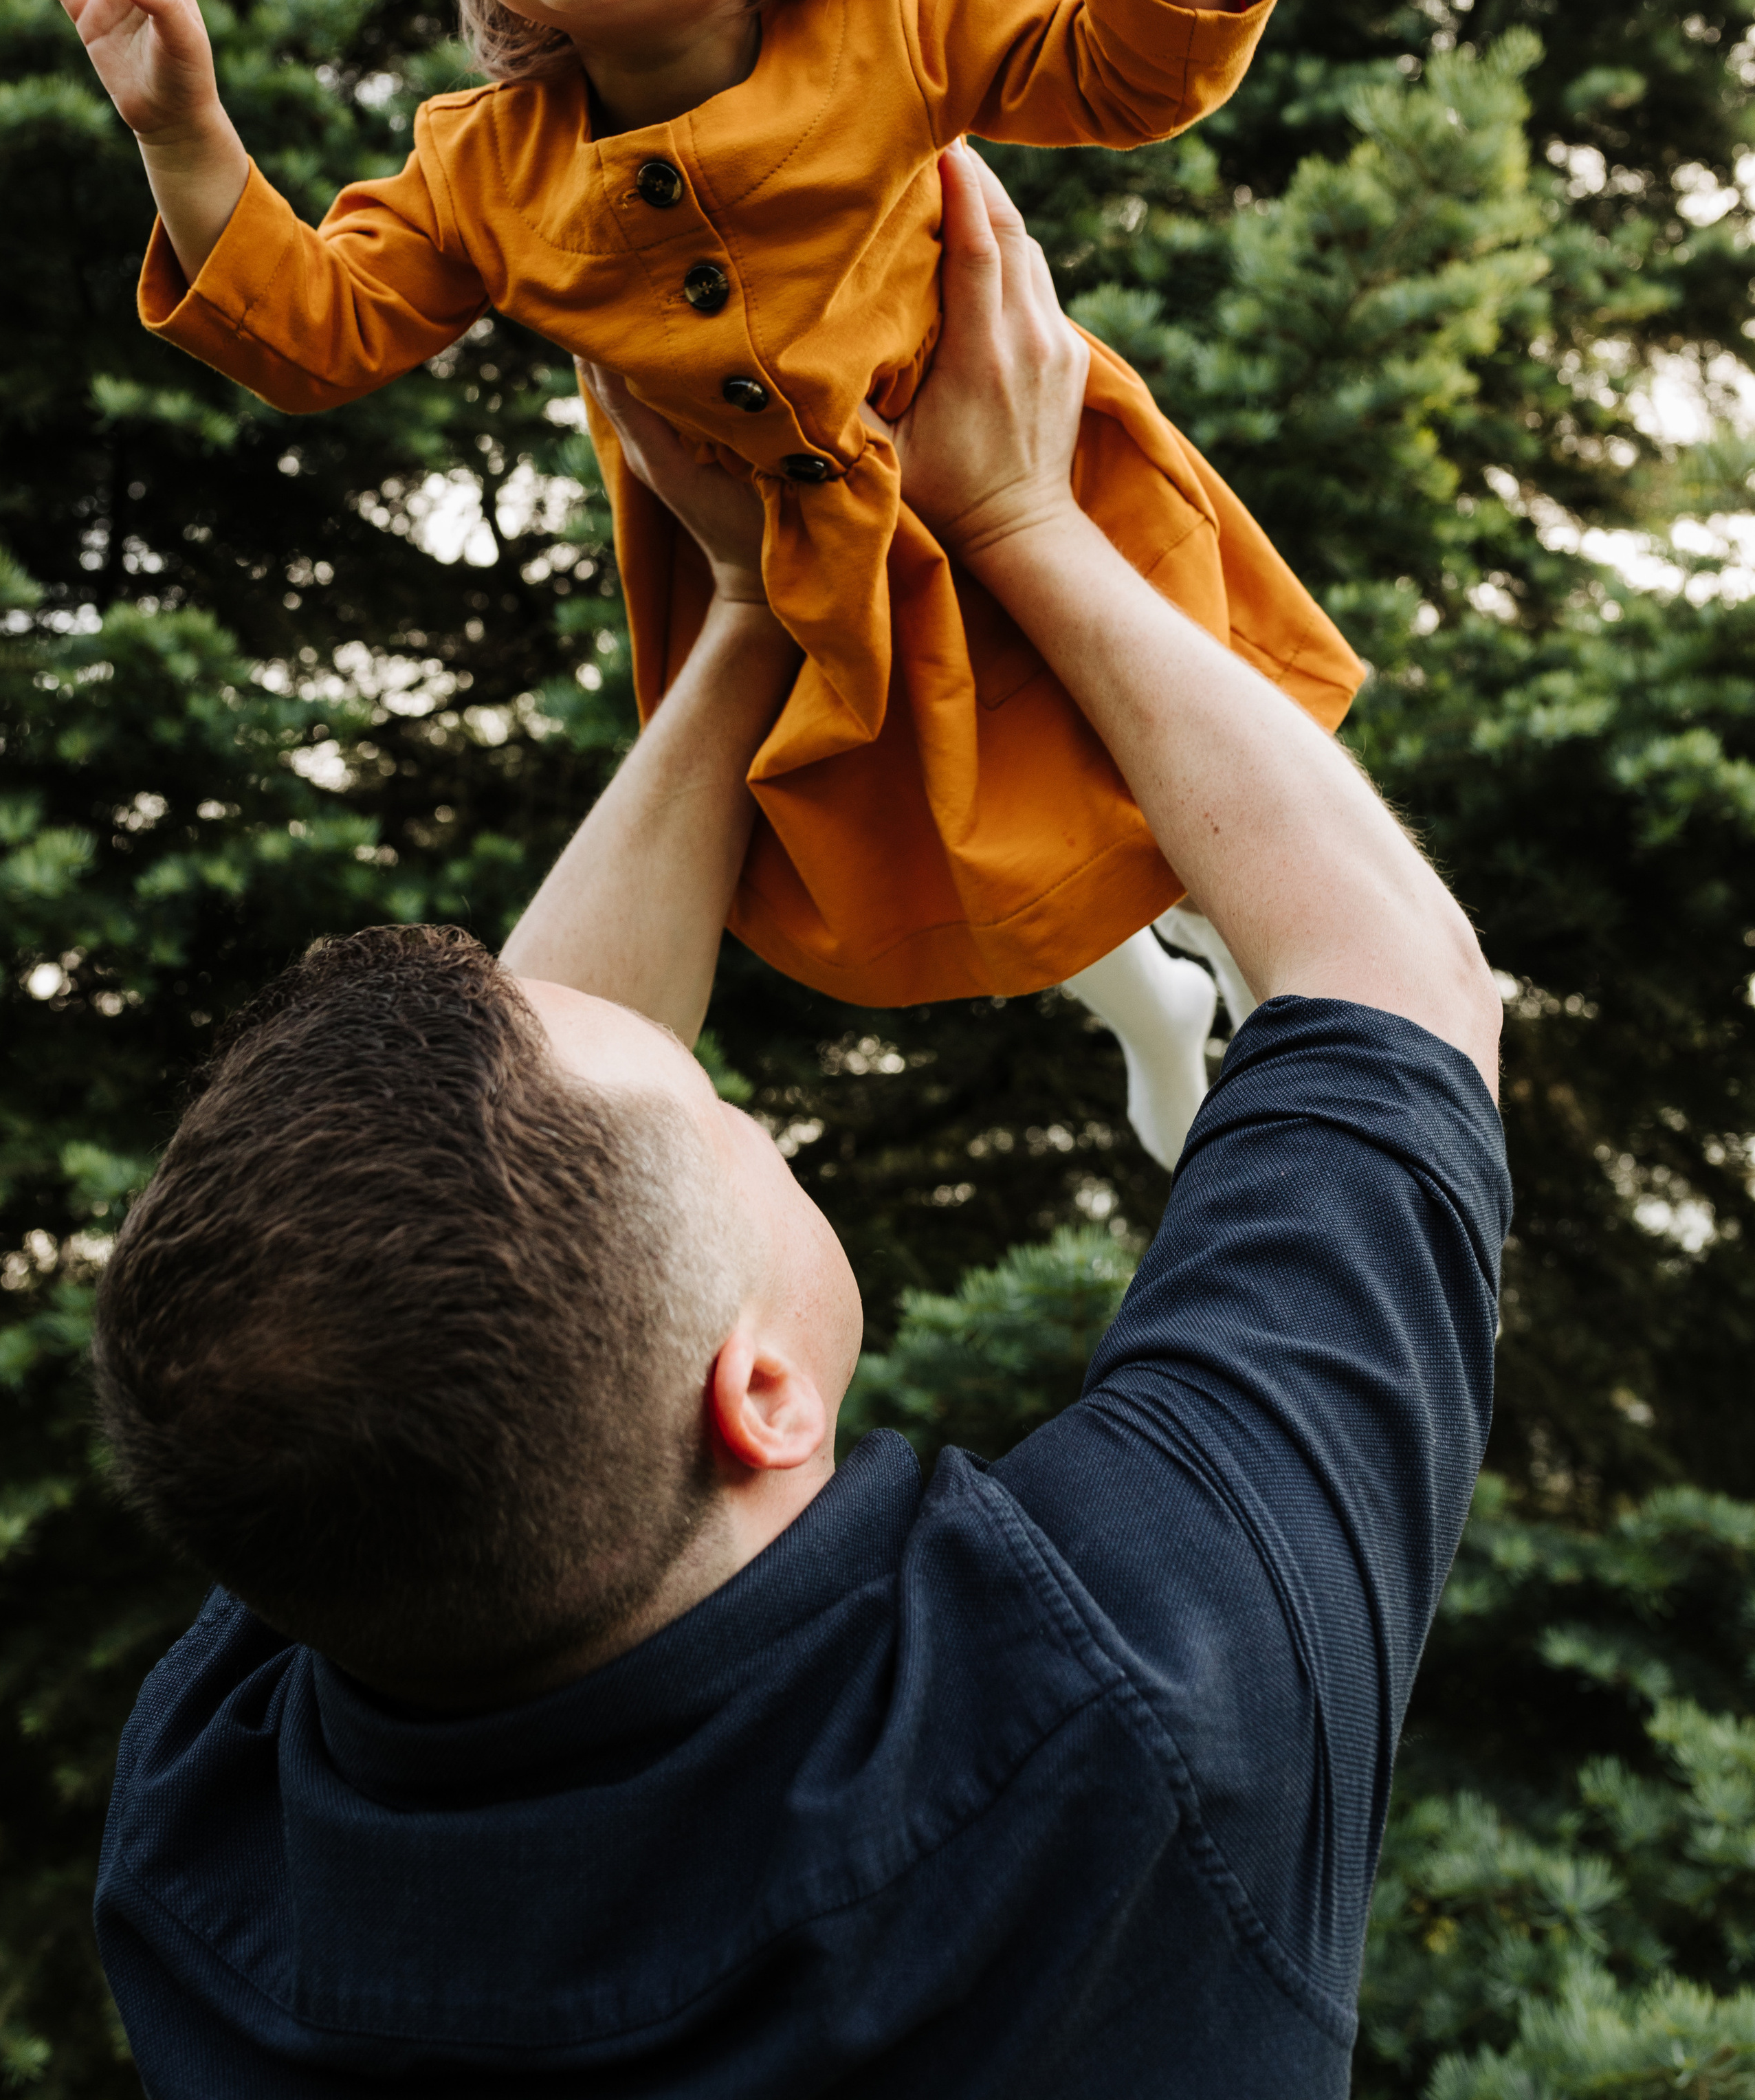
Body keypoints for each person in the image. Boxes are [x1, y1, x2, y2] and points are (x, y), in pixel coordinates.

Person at [91, 145, 1506, 2098]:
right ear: (755, 1396)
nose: (726, 1083)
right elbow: (1397, 984)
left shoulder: (228, 1830)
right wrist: (1026, 518)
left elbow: (510, 1136)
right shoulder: (1123, 1697)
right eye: (712, 1107)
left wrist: (754, 609)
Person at [19, 0, 1364, 1169]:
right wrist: (186, 136)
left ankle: (1319, 1051)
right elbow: (320, 334)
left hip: (1037, 506)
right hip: (801, 597)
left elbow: (1131, 69)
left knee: (1183, 802)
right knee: (996, 861)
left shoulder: (892, 20)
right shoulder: (481, 164)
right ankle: (1144, 1012)